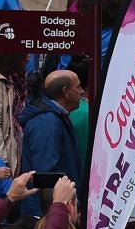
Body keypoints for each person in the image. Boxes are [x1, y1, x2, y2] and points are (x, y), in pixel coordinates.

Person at [17, 71, 85, 210]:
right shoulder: (47, 123)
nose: (82, 92)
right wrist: (70, 205)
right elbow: (46, 174)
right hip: (47, 212)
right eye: (78, 87)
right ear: (66, 91)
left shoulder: (56, 118)